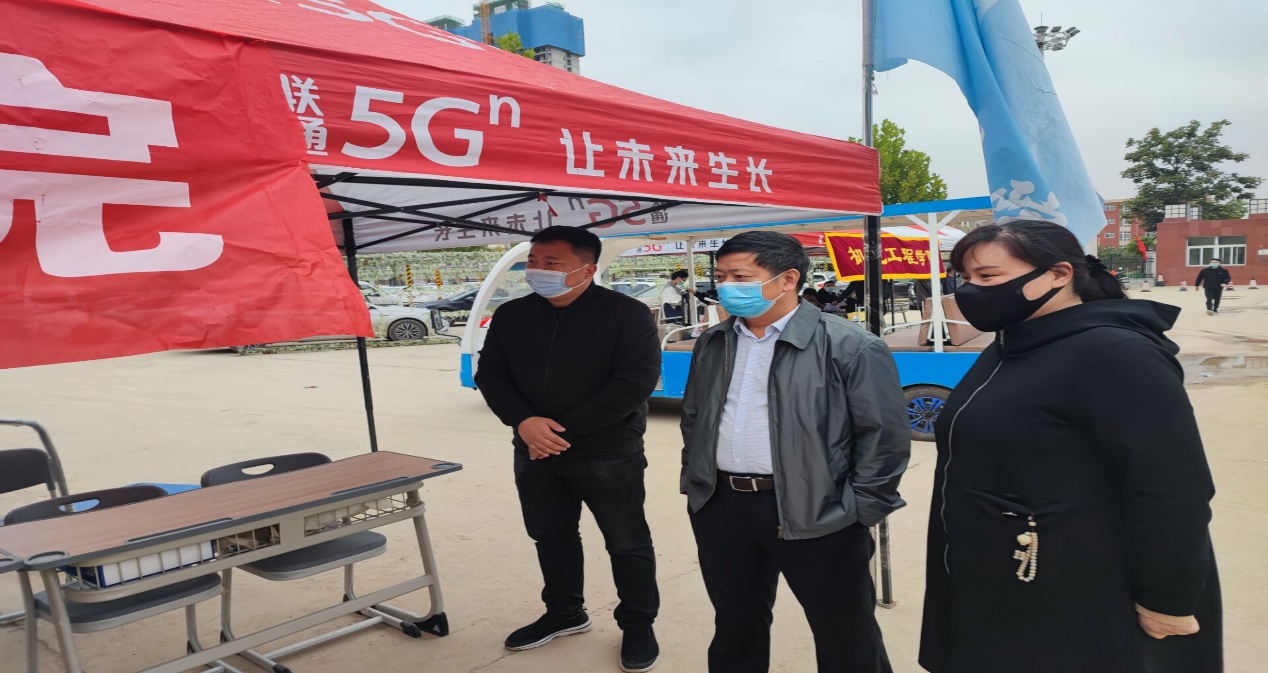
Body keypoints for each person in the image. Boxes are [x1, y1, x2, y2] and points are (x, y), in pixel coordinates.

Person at [920, 220, 1221, 673]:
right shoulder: (1006, 346)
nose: (970, 290)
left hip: (1072, 585)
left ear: (1059, 274)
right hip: (993, 572)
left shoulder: (1114, 353)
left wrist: (1168, 598)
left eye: (987, 276)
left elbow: (1171, 486)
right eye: (964, 278)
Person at [680, 231, 910, 673]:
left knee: (844, 632)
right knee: (735, 625)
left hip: (820, 511)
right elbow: (695, 417)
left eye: (740, 277)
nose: (725, 287)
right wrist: (696, 482)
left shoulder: (850, 344)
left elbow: (884, 438)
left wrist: (858, 510)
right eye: (720, 276)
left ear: (787, 279)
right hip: (723, 506)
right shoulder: (714, 341)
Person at [474, 226, 663, 672]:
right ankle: (565, 613)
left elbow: (633, 384)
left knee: (627, 542)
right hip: (534, 450)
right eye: (533, 262)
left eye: (551, 263)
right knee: (551, 536)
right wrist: (524, 422)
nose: (537, 270)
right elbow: (491, 375)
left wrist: (558, 433)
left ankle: (638, 623)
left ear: (587, 269)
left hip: (607, 451)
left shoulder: (626, 314)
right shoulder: (512, 315)